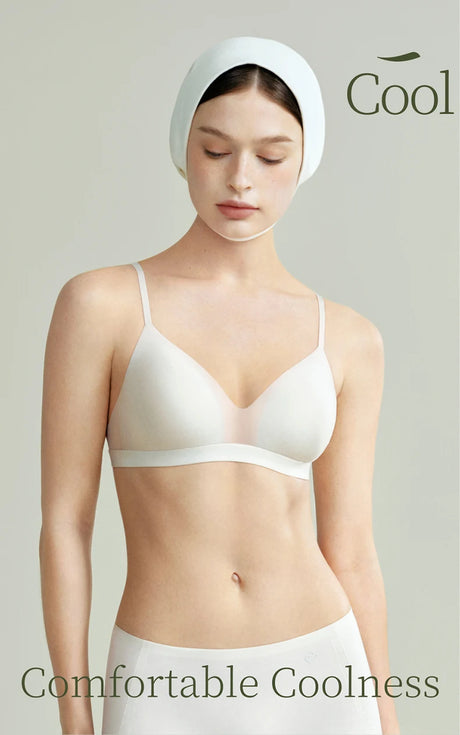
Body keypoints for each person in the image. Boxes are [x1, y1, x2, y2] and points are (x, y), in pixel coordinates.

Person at [39, 36, 400, 735]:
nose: (241, 179)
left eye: (271, 157)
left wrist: (386, 717)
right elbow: (65, 525)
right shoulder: (103, 305)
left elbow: (352, 548)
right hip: (161, 676)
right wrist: (74, 716)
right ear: (183, 147)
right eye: (215, 150)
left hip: (325, 672)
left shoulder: (349, 338)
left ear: (304, 160)